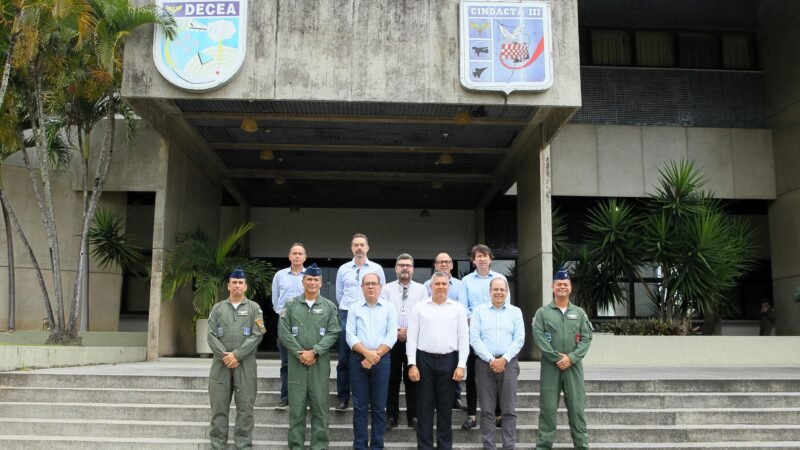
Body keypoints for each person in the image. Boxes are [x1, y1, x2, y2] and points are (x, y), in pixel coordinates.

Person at [278, 263, 341, 450]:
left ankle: (319, 446)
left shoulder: (329, 307)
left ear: (321, 282)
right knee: (296, 409)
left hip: (319, 362)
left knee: (320, 408)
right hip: (296, 363)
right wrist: (300, 353)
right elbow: (283, 332)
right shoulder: (290, 305)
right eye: (309, 279)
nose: (312, 282)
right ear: (303, 281)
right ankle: (296, 446)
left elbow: (333, 332)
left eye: (316, 280)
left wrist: (314, 351)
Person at [531, 269, 593, 450]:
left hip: (573, 367)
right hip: (551, 367)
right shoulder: (543, 313)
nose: (562, 287)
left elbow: (587, 337)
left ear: (570, 288)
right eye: (559, 284)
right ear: (552, 287)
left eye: (565, 284)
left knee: (577, 409)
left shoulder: (579, 313)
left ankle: (582, 446)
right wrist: (556, 357)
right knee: (548, 410)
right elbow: (539, 337)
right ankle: (543, 446)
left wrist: (571, 358)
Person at [407, 271, 469, 450]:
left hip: (449, 362)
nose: (441, 287)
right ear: (430, 286)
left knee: (445, 410)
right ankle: (424, 447)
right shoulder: (419, 308)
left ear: (449, 286)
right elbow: (412, 338)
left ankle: (444, 446)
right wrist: (412, 364)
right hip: (424, 361)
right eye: (437, 284)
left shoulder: (457, 308)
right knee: (424, 409)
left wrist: (461, 365)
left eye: (444, 284)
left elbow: (463, 338)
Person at [206, 268, 266, 450]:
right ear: (228, 286)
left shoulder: (254, 308)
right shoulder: (218, 308)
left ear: (245, 286)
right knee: (218, 408)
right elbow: (210, 335)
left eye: (240, 283)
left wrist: (236, 355)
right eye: (234, 282)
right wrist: (225, 355)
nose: (237, 285)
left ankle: (244, 445)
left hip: (245, 364)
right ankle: (217, 445)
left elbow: (258, 334)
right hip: (220, 364)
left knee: (245, 410)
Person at [470, 277, 525, 449]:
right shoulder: (479, 312)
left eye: (502, 289)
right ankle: (489, 446)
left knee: (509, 410)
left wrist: (504, 359)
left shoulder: (515, 312)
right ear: (490, 291)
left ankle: (509, 446)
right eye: (496, 289)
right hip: (484, 364)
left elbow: (519, 339)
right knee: (487, 411)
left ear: (507, 292)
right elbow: (474, 339)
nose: (499, 292)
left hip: (508, 364)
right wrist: (491, 360)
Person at [458, 244, 508, 430]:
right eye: (478, 256)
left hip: (494, 335)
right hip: (474, 334)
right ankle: (471, 414)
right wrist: (477, 321)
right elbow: (463, 307)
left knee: (496, 376)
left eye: (485, 256)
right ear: (473, 260)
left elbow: (506, 306)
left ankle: (498, 414)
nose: (482, 259)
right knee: (472, 376)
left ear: (491, 259)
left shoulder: (500, 279)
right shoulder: (466, 281)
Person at [335, 233, 387, 411]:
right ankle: (343, 397)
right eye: (355, 244)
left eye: (362, 245)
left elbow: (382, 291)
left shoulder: (377, 268)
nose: (359, 247)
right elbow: (339, 294)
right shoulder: (343, 269)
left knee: (369, 352)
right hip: (346, 313)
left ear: (367, 247)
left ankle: (372, 398)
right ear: (351, 248)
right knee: (344, 358)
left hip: (369, 313)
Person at [347, 272, 398, 449]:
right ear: (361, 287)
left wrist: (374, 355)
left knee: (379, 407)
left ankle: (377, 445)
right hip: (358, 360)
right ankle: (360, 445)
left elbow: (391, 336)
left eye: (373, 284)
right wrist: (367, 354)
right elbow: (350, 335)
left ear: (380, 287)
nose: (370, 287)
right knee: (360, 408)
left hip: (382, 361)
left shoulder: (389, 308)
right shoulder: (354, 308)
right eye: (367, 284)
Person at [380, 253, 427, 429]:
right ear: (396, 268)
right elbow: (382, 313)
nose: (405, 268)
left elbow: (424, 314)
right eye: (401, 265)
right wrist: (396, 331)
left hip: (413, 340)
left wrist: (409, 331)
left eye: (408, 265)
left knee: (412, 379)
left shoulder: (422, 290)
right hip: (391, 341)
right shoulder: (386, 289)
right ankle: (391, 415)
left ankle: (413, 416)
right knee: (391, 379)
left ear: (413, 268)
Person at [423, 252, 466, 411]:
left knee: (454, 364)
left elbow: (462, 306)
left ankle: (456, 397)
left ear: (452, 265)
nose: (444, 264)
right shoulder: (427, 284)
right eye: (440, 262)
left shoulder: (461, 285)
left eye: (447, 262)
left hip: (454, 329)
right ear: (435, 265)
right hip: (433, 331)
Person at [271, 243, 307, 409]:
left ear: (305, 257)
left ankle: (305, 397)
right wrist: (281, 312)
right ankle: (285, 396)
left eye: (300, 253)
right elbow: (275, 298)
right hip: (284, 320)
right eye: (294, 253)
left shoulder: (310, 276)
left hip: (305, 321)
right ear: (289, 256)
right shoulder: (280, 275)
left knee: (305, 359)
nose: (297, 256)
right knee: (286, 361)